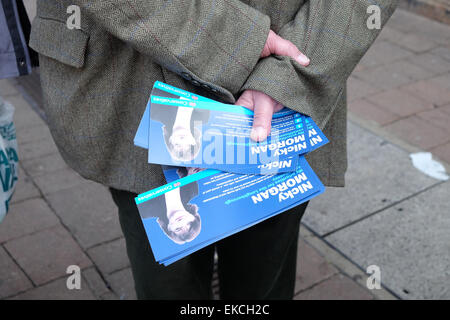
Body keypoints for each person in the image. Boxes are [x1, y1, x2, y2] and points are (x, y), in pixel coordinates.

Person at [30, 0, 398, 299]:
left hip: (285, 82)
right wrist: (242, 42)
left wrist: (289, 73)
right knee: (167, 283)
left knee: (262, 283)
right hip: (133, 74)